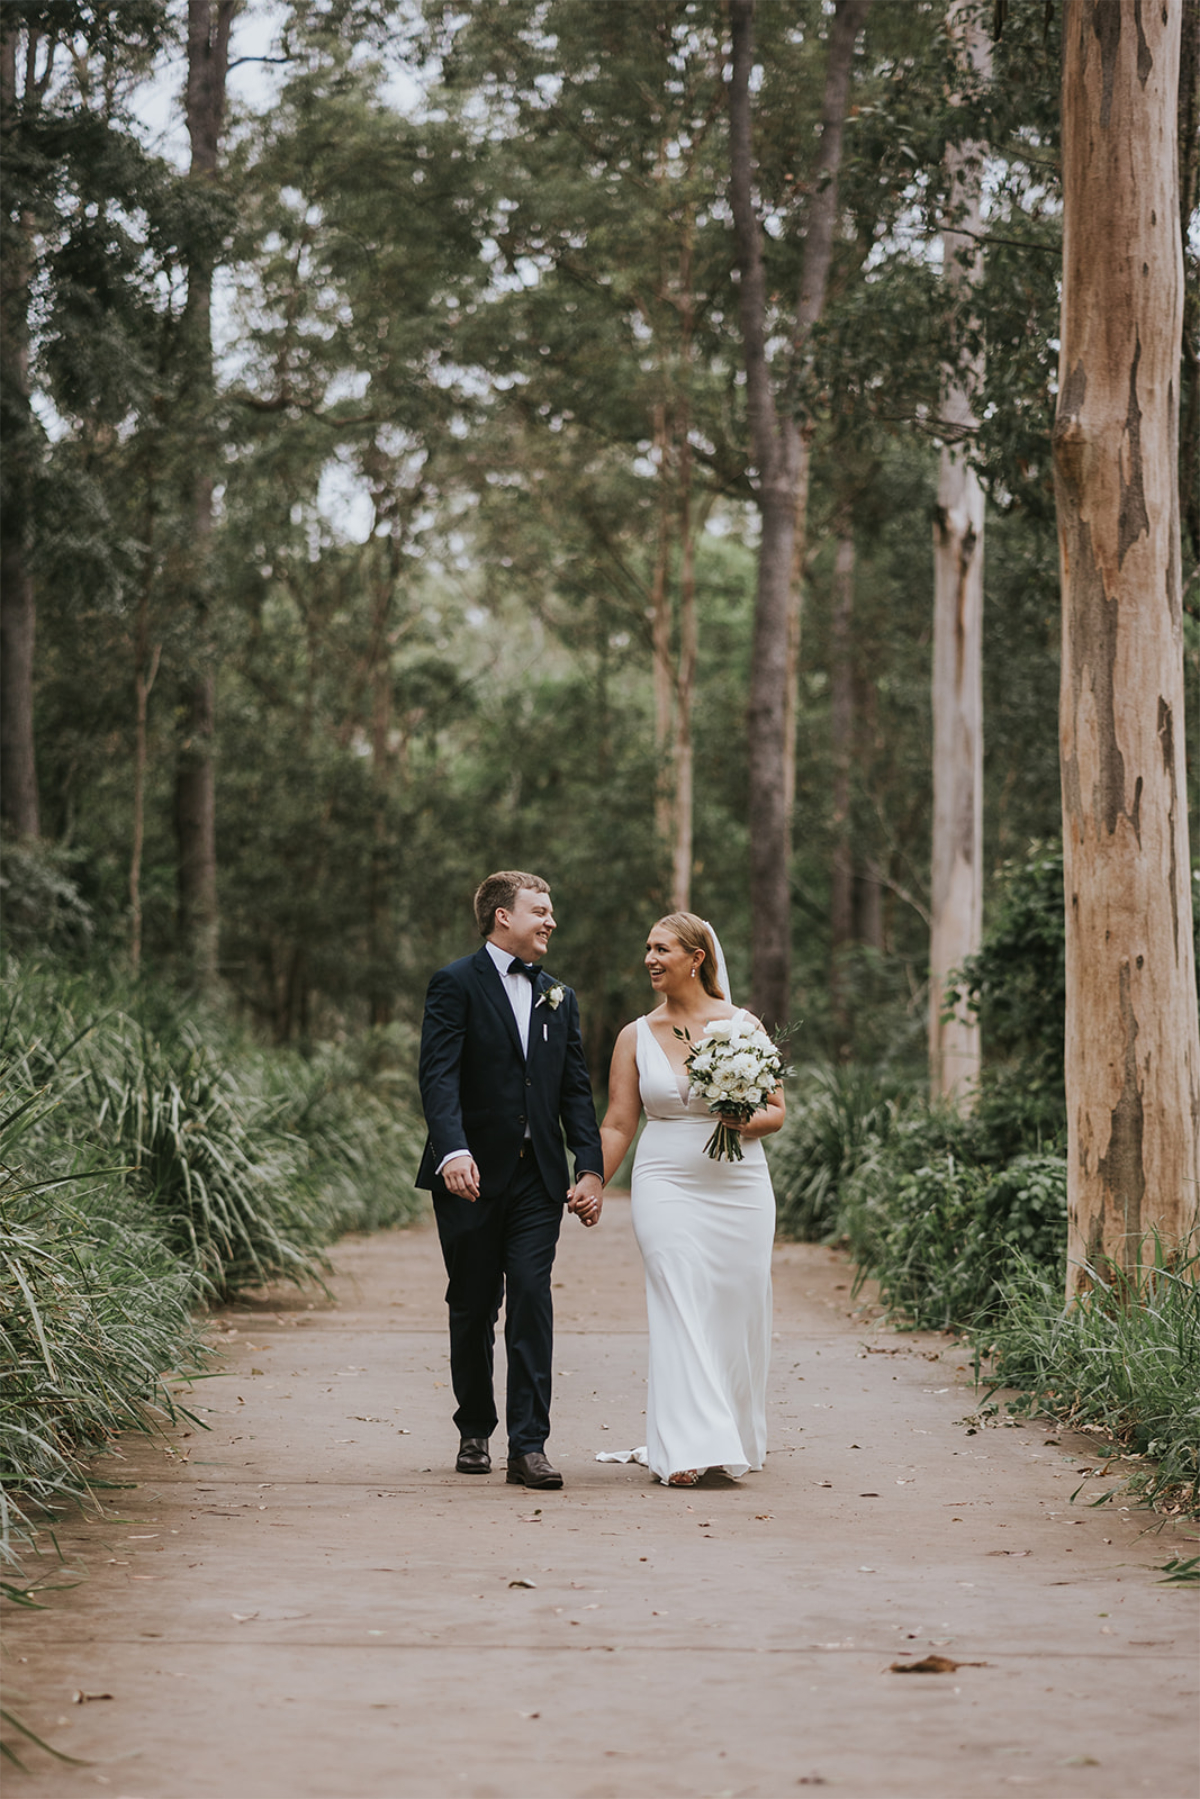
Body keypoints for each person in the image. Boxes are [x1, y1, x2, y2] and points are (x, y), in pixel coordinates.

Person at [416, 872, 604, 1490]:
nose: (550, 922)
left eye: (551, 912)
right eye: (540, 911)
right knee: (472, 1304)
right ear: (503, 917)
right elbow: (438, 1076)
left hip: (537, 1180)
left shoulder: (559, 997)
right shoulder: (454, 984)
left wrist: (590, 1166)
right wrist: (452, 1153)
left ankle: (529, 1446)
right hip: (467, 1175)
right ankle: (475, 1429)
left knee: (531, 1298)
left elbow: (575, 1089)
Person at [599, 913, 784, 1486]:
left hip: (740, 1187)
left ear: (696, 958)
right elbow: (618, 1125)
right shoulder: (635, 1034)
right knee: (677, 1298)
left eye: (662, 949)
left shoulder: (743, 1026)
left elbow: (776, 1112)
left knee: (735, 1305)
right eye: (647, 949)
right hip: (665, 1183)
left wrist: (740, 1116)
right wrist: (589, 1181)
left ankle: (727, 1432)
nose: (650, 959)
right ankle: (686, 1447)